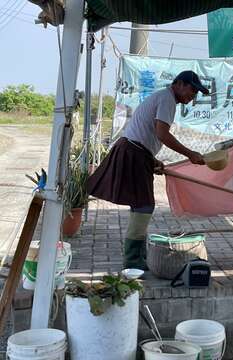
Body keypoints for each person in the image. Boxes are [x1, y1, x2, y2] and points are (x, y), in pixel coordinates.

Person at [87, 70, 209, 270]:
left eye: (196, 93)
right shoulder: (167, 99)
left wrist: (152, 159)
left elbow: (144, 133)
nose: (192, 96)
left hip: (135, 151)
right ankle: (133, 261)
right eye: (191, 90)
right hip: (133, 152)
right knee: (144, 205)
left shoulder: (163, 98)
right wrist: (190, 154)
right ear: (178, 83)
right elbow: (162, 133)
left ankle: (137, 259)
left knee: (140, 205)